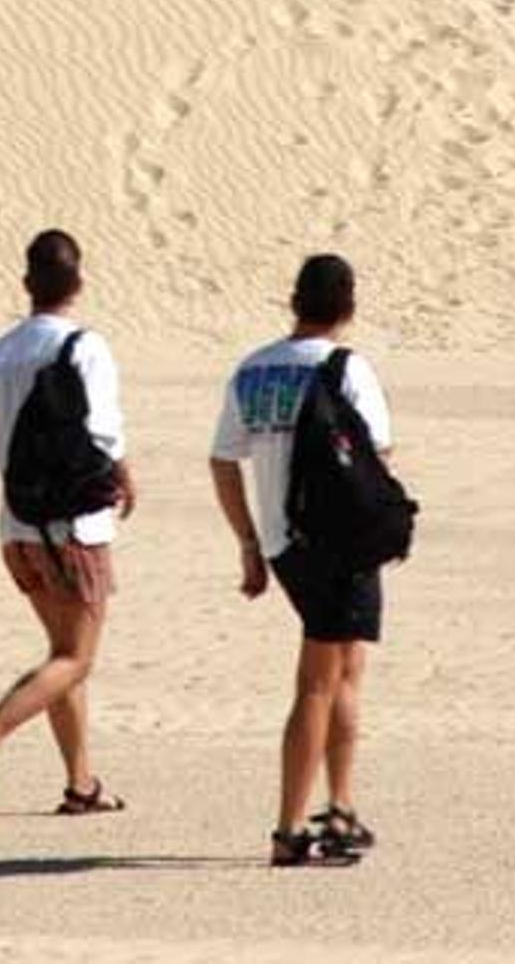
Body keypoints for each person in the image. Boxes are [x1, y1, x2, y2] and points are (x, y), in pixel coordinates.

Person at [0, 229, 136, 821]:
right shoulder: (85, 347)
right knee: (76, 658)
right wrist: (125, 474)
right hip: (74, 526)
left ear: (27, 283)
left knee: (60, 656)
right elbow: (103, 430)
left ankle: (82, 784)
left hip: (18, 529)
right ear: (78, 282)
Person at [208, 254, 393, 867]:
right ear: (348, 306)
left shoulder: (254, 368)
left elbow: (224, 459)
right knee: (318, 680)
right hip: (339, 540)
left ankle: (341, 805)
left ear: (295, 301)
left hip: (284, 543)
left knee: (346, 666)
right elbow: (379, 454)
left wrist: (248, 540)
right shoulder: (347, 367)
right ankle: (289, 829)